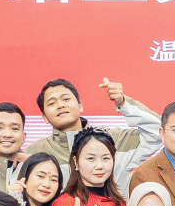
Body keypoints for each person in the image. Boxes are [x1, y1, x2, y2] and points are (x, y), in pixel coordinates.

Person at [26, 75, 162, 185]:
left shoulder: (114, 139)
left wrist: (123, 103)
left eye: (66, 99)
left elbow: (159, 132)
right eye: (52, 103)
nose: (60, 105)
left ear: (80, 106)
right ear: (44, 117)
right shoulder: (34, 153)